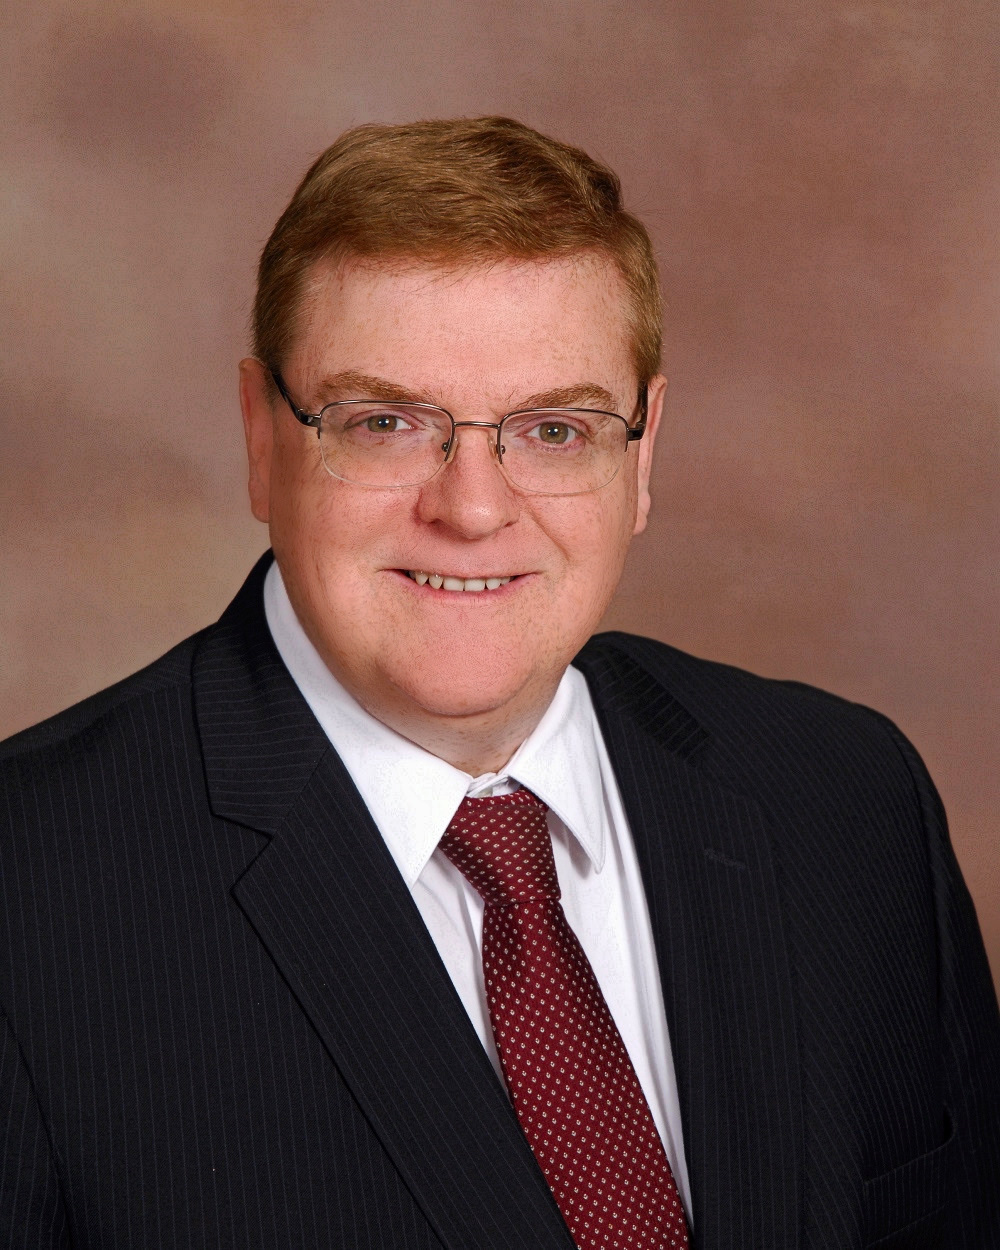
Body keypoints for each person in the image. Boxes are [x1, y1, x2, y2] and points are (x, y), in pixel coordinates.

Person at [1, 116, 997, 1250]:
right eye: (385, 422)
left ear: (641, 453)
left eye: (555, 429)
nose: (473, 507)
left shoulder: (847, 802)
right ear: (260, 438)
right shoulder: (31, 893)